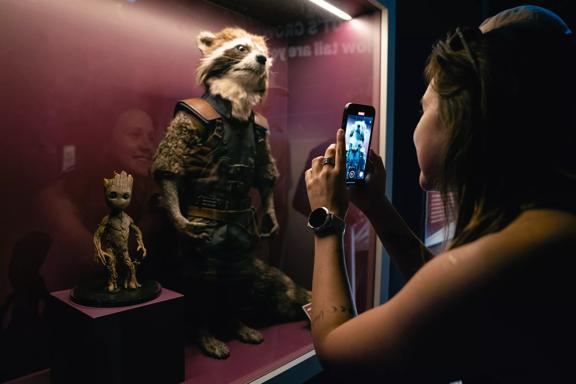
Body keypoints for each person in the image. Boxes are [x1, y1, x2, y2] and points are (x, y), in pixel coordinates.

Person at [305, 5, 576, 382]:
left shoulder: (517, 253)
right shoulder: (544, 221)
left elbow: (336, 349)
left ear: (460, 111)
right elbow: (447, 290)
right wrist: (377, 206)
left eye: (425, 106)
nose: (417, 121)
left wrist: (327, 219)